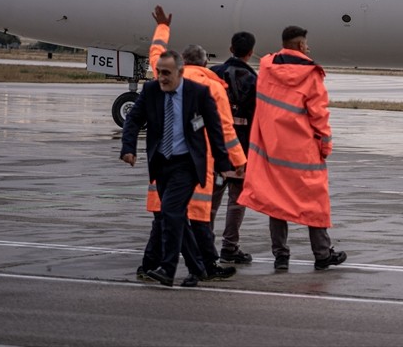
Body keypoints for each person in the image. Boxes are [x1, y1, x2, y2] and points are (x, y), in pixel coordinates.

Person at [120, 19, 236, 287]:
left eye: (166, 74)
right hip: (161, 164)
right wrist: (128, 148)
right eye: (158, 73)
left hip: (188, 164)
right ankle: (198, 269)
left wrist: (224, 163)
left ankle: (167, 269)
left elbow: (219, 130)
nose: (161, 77)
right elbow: (133, 119)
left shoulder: (202, 92)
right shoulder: (152, 88)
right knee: (178, 218)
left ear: (181, 71)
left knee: (171, 212)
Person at [238, 26, 346, 271]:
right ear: (299, 46)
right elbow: (319, 115)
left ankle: (281, 255)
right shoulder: (311, 74)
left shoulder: (266, 68)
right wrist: (325, 145)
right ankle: (321, 254)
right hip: (302, 151)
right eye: (306, 44)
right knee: (315, 202)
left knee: (277, 201)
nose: (308, 48)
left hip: (272, 148)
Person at [209, 30, 258, 264]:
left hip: (214, 150)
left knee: (211, 198)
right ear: (250, 53)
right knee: (236, 201)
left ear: (230, 49)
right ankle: (230, 246)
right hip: (240, 151)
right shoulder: (252, 79)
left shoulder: (213, 74)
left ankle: (204, 242)